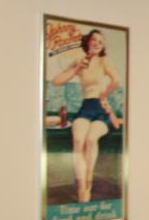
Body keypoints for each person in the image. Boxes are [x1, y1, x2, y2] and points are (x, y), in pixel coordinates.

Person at [50, 29, 123, 203]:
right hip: (85, 107)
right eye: (94, 40)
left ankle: (88, 183)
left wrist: (104, 95)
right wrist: (76, 69)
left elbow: (116, 80)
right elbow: (57, 81)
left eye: (100, 41)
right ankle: (81, 186)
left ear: (102, 45)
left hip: (101, 108)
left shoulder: (104, 61)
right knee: (78, 141)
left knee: (91, 140)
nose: (97, 43)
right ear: (88, 42)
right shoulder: (79, 61)